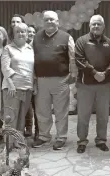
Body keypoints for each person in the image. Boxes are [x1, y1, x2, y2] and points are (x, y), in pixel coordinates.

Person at [32, 11, 77, 150]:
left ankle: (61, 137)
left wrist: (73, 74)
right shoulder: (36, 37)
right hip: (41, 80)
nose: (49, 22)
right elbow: (32, 58)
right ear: (43, 22)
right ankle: (44, 137)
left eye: (52, 20)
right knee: (42, 111)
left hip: (60, 80)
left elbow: (73, 57)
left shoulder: (66, 37)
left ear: (58, 22)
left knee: (60, 111)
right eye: (47, 20)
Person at [75, 15, 110, 153]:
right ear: (89, 26)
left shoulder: (109, 43)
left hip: (104, 85)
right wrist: (94, 73)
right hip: (85, 85)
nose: (96, 27)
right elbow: (79, 60)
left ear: (103, 26)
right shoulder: (82, 41)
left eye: (99, 24)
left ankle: (101, 140)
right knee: (83, 115)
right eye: (94, 24)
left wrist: (105, 73)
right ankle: (82, 141)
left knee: (103, 115)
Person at [1, 23, 35, 134]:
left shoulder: (30, 49)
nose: (21, 34)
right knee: (11, 118)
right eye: (18, 31)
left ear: (27, 34)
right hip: (12, 88)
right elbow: (5, 68)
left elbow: (33, 69)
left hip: (27, 88)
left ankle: (18, 142)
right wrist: (10, 84)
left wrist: (34, 85)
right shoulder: (8, 48)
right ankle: (9, 144)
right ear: (13, 34)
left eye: (23, 31)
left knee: (22, 119)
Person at [24, 24, 38, 138]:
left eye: (33, 32)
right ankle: (28, 127)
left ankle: (38, 130)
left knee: (37, 107)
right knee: (27, 107)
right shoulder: (21, 46)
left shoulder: (38, 46)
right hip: (25, 80)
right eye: (29, 31)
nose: (31, 34)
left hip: (36, 80)